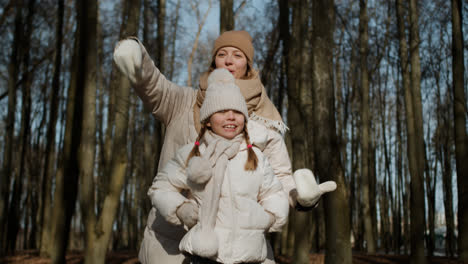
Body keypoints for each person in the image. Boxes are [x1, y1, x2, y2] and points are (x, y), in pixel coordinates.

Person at [113, 30, 336, 264]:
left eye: (237, 55)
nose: (229, 60)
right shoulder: (183, 102)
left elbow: (278, 180)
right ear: (214, 61)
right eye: (222, 54)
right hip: (172, 242)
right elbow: (154, 87)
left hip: (240, 249)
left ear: (248, 65)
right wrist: (138, 61)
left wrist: (302, 197)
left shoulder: (264, 122)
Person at [150, 68, 289, 264]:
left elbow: (274, 192)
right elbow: (161, 188)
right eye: (222, 111)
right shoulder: (193, 154)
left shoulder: (255, 156)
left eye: (237, 112)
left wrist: (270, 217)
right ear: (207, 121)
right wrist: (181, 209)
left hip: (249, 256)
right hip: (205, 256)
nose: (231, 117)